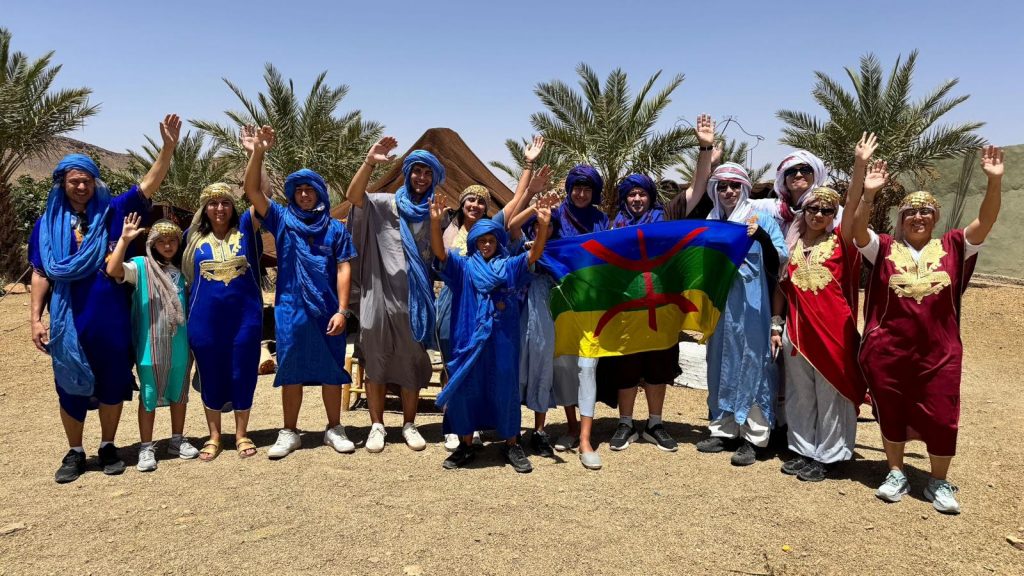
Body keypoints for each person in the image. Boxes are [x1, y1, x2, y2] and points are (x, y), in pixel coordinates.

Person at [29, 115, 181, 483]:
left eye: (87, 180)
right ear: (62, 184)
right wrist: (35, 318)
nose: (81, 186)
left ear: (95, 182)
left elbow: (148, 184)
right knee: (69, 384)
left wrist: (167, 149)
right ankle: (75, 451)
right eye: (74, 181)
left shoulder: (113, 212)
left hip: (112, 319)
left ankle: (108, 445)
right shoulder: (46, 225)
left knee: (113, 382)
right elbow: (41, 273)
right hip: (69, 320)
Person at [853, 146, 1004, 514]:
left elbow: (985, 222)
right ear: (901, 219)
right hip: (890, 350)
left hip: (940, 351)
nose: (917, 217)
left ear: (935, 218)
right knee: (892, 409)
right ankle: (895, 472)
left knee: (941, 414)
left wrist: (994, 182)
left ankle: (938, 480)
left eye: (925, 212)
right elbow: (857, 231)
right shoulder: (884, 247)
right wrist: (868, 195)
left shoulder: (954, 245)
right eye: (910, 212)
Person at [242, 127, 358, 459]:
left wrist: (342, 309)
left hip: (327, 310)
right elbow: (252, 190)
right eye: (299, 190)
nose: (305, 195)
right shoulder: (281, 219)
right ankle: (289, 431)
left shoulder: (335, 228)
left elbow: (344, 268)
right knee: (290, 368)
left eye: (310, 190)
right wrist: (258, 153)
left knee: (332, 369)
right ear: (292, 195)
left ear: (320, 193)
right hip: (291, 309)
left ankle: (334, 428)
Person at [769, 133, 877, 482]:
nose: (818, 214)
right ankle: (803, 449)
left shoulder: (842, 242)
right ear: (804, 211)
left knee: (831, 394)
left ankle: (829, 455)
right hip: (797, 333)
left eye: (826, 210)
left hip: (833, 334)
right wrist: (776, 324)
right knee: (801, 394)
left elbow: (854, 205)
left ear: (833, 215)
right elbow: (783, 288)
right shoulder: (793, 244)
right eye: (812, 209)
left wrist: (860, 166)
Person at [436, 137, 550, 451]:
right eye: (470, 201)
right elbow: (440, 257)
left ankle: (488, 426)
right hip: (454, 303)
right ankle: (458, 424)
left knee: (491, 367)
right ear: (462, 204)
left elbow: (516, 202)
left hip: (488, 306)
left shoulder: (491, 230)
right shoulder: (448, 229)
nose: (475, 206)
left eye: (481, 202)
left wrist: (528, 169)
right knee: (455, 362)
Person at [347, 138, 445, 452]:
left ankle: (409, 424)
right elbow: (353, 196)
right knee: (375, 357)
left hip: (414, 301)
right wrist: (369, 162)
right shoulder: (384, 204)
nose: (421, 177)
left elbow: (440, 255)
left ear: (434, 178)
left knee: (411, 360)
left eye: (427, 173)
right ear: (407, 173)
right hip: (378, 295)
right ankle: (377, 425)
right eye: (416, 171)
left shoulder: (436, 212)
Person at [695, 163, 788, 466]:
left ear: (744, 189)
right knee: (720, 362)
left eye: (734, 186)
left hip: (753, 305)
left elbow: (778, 263)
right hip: (720, 306)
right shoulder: (710, 222)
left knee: (754, 363)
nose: (729, 191)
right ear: (715, 191)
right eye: (722, 186)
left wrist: (761, 237)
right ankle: (723, 431)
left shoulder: (761, 219)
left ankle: (754, 436)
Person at [106, 213, 197, 471]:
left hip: (179, 344)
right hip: (149, 345)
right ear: (152, 243)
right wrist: (124, 240)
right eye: (161, 241)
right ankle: (146, 446)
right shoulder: (140, 267)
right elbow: (113, 270)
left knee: (179, 392)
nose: (167, 246)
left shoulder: (183, 271)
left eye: (172, 241)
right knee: (149, 395)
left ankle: (177, 440)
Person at [596, 173, 680, 453]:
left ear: (650, 196)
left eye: (642, 193)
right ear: (624, 198)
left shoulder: (665, 223)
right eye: (631, 194)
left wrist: (705, 154)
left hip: (660, 309)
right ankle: (626, 423)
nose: (636, 199)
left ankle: (655, 424)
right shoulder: (613, 227)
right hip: (626, 311)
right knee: (626, 367)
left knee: (658, 366)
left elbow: (696, 191)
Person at [182, 181, 263, 461]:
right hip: (204, 320)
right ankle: (214, 436)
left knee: (243, 372)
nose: (220, 208)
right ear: (204, 209)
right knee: (210, 373)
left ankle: (241, 434)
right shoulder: (191, 238)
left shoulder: (247, 232)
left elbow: (260, 194)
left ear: (233, 206)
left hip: (245, 319)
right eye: (213, 204)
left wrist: (256, 158)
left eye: (225, 202)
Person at [547, 164, 609, 470]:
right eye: (577, 188)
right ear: (569, 190)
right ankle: (571, 426)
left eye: (587, 189)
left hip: (592, 305)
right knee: (564, 365)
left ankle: (586, 440)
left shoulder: (601, 220)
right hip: (560, 301)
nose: (581, 194)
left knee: (587, 367)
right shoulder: (556, 214)